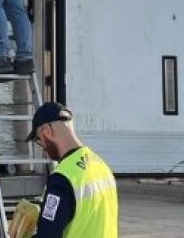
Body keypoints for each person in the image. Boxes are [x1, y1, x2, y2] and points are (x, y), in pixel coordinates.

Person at [25, 102, 118, 238]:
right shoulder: (101, 165)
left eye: (39, 140)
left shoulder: (62, 178)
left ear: (47, 131)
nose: (42, 147)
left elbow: (48, 235)